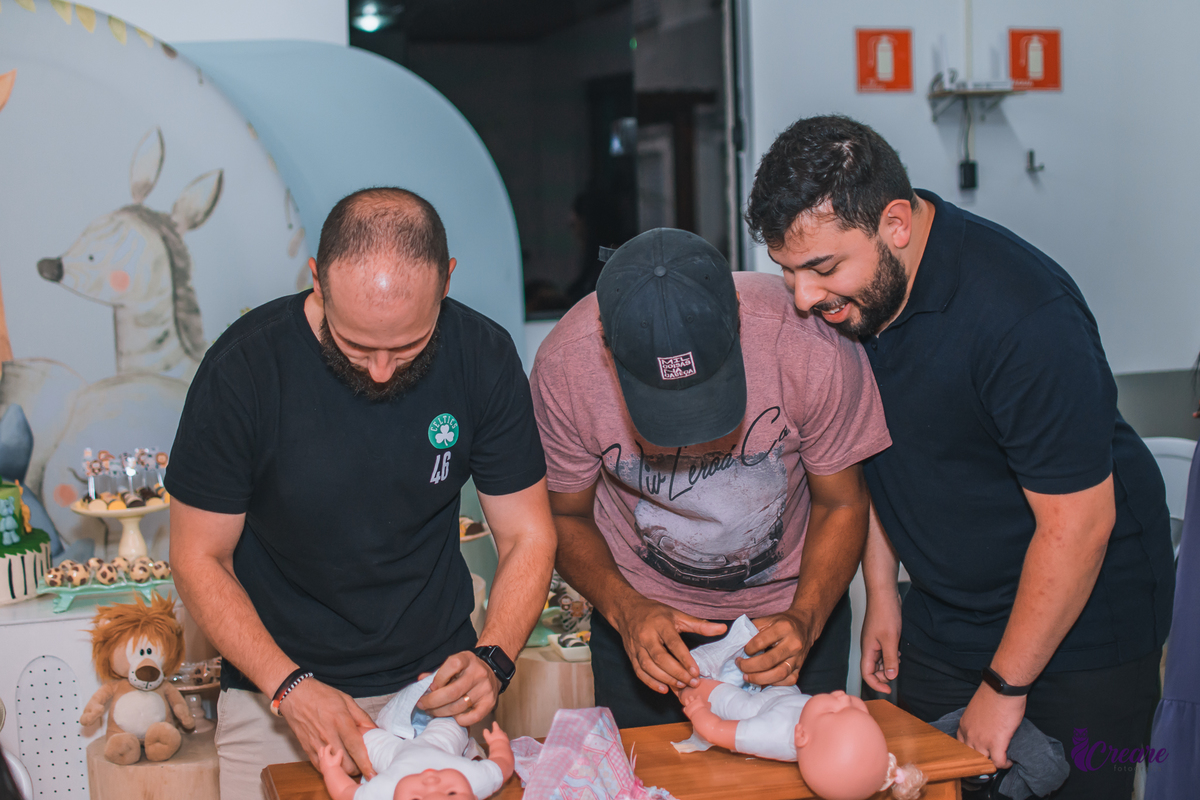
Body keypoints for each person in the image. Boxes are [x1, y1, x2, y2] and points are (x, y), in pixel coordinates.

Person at [745, 115, 1175, 800]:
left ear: (896, 224)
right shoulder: (858, 302)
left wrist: (1005, 688)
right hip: (948, 612)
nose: (803, 298)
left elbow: (1078, 527)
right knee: (912, 785)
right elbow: (877, 449)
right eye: (788, 272)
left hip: (1086, 625)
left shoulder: (1024, 315)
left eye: (821, 268)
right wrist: (883, 594)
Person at [167, 188, 556, 799]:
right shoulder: (243, 368)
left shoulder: (483, 355)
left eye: (406, 346)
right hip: (277, 687)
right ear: (317, 280)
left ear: (447, 282)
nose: (380, 371)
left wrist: (496, 657)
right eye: (355, 345)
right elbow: (197, 556)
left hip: (436, 693)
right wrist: (288, 687)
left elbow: (528, 533)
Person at [529, 227, 891, 728]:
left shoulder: (811, 343)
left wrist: (806, 619)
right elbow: (564, 514)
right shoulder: (565, 367)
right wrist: (624, 609)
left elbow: (843, 503)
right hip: (643, 621)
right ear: (607, 347)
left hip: (793, 609)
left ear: (737, 318)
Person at [315, 720, 513, 800]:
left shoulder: (385, 791)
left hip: (393, 753)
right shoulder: (475, 779)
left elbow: (345, 793)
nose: (431, 781)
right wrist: (498, 744)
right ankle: (430, 686)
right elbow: (503, 766)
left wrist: (331, 770)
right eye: (451, 793)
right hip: (441, 743)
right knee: (454, 720)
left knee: (354, 734)